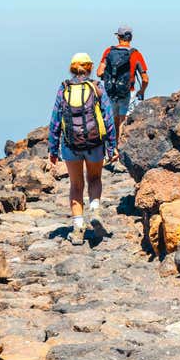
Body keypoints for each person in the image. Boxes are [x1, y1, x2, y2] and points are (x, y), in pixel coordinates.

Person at [48, 52, 118, 245]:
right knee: (94, 179)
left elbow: (55, 121)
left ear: (72, 68)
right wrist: (112, 147)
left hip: (71, 146)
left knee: (76, 185)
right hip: (95, 144)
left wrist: (53, 151)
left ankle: (78, 229)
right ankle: (95, 209)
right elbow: (108, 118)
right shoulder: (97, 88)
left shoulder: (64, 89)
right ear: (90, 68)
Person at [97, 25, 149, 141]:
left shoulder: (109, 51)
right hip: (128, 92)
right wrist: (141, 91)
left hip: (111, 92)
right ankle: (120, 150)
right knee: (123, 121)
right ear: (130, 38)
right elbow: (145, 79)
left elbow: (99, 72)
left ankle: (111, 150)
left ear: (118, 37)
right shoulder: (135, 54)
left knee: (112, 121)